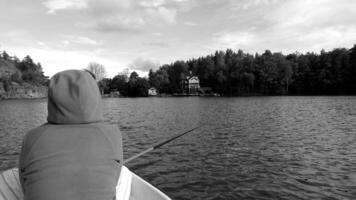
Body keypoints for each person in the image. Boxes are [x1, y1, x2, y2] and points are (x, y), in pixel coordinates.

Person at [19, 69, 123, 200]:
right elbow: (115, 178)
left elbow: (24, 186)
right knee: (124, 174)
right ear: (94, 95)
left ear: (52, 98)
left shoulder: (31, 137)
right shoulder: (113, 134)